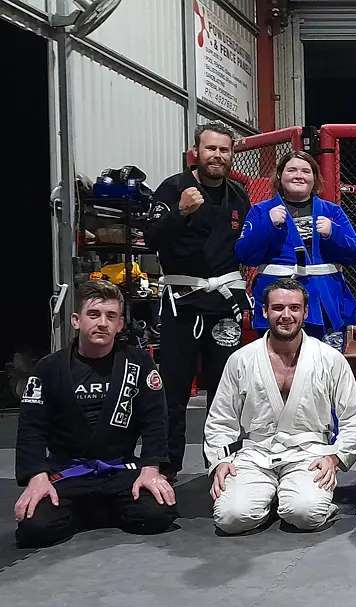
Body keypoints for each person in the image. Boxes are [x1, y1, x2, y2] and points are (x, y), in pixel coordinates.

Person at [14, 281, 176, 548]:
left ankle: (89, 509)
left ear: (121, 324)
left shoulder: (138, 364)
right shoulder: (48, 369)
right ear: (76, 321)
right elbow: (31, 428)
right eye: (94, 314)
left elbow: (155, 421)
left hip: (118, 469)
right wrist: (36, 477)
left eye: (111, 316)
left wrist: (151, 469)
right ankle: (94, 508)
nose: (102, 323)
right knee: (36, 529)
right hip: (68, 472)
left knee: (158, 514)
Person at [204, 279, 356, 533]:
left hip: (309, 453)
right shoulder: (241, 360)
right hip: (254, 453)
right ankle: (268, 497)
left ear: (305, 312)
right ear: (265, 311)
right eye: (278, 308)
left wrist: (335, 457)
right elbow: (221, 419)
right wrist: (220, 461)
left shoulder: (329, 359)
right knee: (231, 518)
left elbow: (355, 417)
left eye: (294, 308)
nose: (286, 315)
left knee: (306, 514)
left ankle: (297, 498)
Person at [146, 122, 252, 477]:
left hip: (223, 303)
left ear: (232, 154)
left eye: (224, 150)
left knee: (224, 389)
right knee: (174, 389)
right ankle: (166, 467)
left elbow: (247, 247)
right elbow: (150, 239)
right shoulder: (174, 188)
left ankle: (220, 464)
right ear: (197, 151)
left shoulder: (238, 196)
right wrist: (181, 213)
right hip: (183, 301)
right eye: (211, 149)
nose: (217, 156)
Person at [235, 151, 356, 350]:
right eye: (292, 170)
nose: (299, 175)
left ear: (314, 178)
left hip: (325, 302)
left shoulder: (332, 212)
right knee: (279, 366)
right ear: (280, 175)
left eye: (306, 171)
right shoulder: (261, 211)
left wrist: (333, 233)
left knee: (326, 369)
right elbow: (244, 254)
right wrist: (268, 225)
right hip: (279, 303)